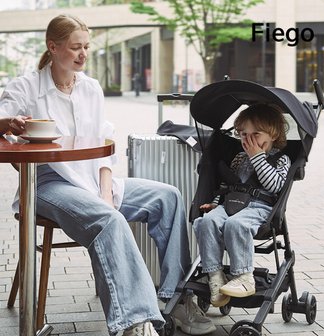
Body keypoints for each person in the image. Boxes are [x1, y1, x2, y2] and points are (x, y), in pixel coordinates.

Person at [0, 14, 215, 336]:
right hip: (47, 183)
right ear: (53, 47)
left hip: (92, 178)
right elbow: (1, 118)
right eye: (76, 48)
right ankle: (135, 323)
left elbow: (104, 143)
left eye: (86, 46)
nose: (83, 54)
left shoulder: (91, 88)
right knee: (109, 220)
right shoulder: (26, 86)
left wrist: (104, 191)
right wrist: (9, 123)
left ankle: (176, 300)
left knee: (167, 196)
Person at [193, 104, 291, 307]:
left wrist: (258, 158)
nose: (249, 140)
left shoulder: (281, 159)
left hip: (259, 207)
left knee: (235, 225)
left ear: (273, 135)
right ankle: (215, 275)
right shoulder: (239, 158)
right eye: (244, 134)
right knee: (206, 222)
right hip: (231, 203)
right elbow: (227, 185)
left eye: (256, 134)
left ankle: (244, 277)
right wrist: (215, 203)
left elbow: (274, 185)